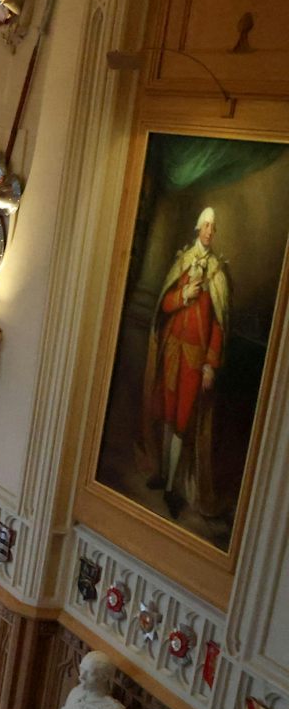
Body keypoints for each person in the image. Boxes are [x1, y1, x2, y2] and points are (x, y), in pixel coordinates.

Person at [143, 206, 229, 519]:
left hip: (194, 359)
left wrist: (210, 364)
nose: (209, 231)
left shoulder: (217, 272)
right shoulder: (182, 261)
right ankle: (162, 474)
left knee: (182, 419)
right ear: (197, 228)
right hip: (173, 351)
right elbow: (165, 305)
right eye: (205, 225)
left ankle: (171, 490)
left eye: (213, 228)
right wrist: (183, 294)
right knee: (167, 412)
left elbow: (218, 325)